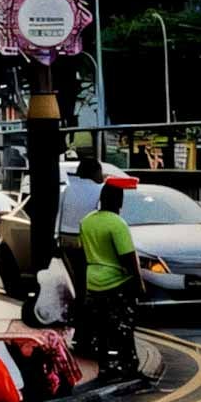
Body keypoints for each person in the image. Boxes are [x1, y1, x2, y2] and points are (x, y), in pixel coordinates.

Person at [80, 183, 143, 379]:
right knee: (123, 326)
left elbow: (82, 251)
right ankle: (128, 366)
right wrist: (138, 282)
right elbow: (127, 257)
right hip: (116, 281)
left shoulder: (87, 221)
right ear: (119, 201)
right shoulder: (117, 224)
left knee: (100, 327)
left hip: (92, 279)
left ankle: (105, 367)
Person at [59, 159, 104, 297]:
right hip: (88, 238)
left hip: (66, 237)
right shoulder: (100, 190)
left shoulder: (67, 189)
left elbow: (58, 214)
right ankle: (85, 300)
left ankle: (77, 299)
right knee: (88, 273)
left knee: (75, 274)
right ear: (95, 172)